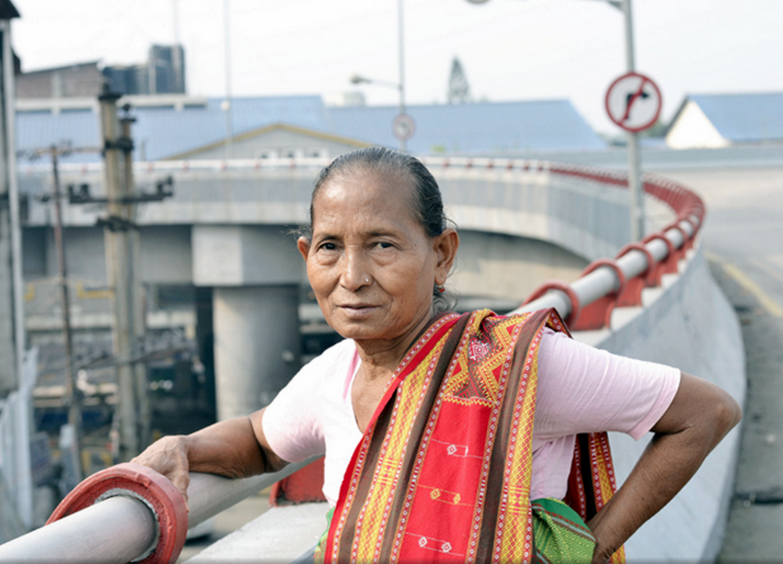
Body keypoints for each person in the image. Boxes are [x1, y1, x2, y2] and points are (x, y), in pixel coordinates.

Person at [132, 146, 741, 563]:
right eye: (328, 247)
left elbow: (706, 413)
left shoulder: (512, 368)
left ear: (442, 254)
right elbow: (261, 442)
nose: (352, 275)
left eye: (382, 245)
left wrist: (596, 545)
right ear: (304, 257)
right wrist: (184, 447)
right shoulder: (332, 374)